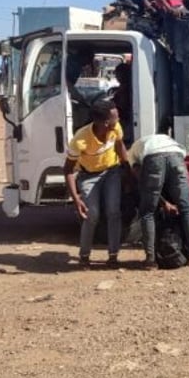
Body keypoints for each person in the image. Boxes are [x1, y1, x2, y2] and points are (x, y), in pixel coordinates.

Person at [63, 100, 130, 267]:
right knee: (91, 215)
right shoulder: (80, 140)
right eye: (115, 116)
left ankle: (113, 256)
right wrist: (76, 199)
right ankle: (84, 256)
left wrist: (128, 172)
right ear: (105, 122)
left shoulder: (116, 128)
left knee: (113, 212)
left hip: (111, 172)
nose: (119, 118)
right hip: (88, 176)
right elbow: (68, 170)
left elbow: (120, 146)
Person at [128, 133, 189, 268]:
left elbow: (141, 179)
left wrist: (162, 202)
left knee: (148, 212)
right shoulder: (161, 140)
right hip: (177, 156)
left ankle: (151, 260)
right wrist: (165, 202)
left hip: (154, 157)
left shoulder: (131, 154)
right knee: (187, 210)